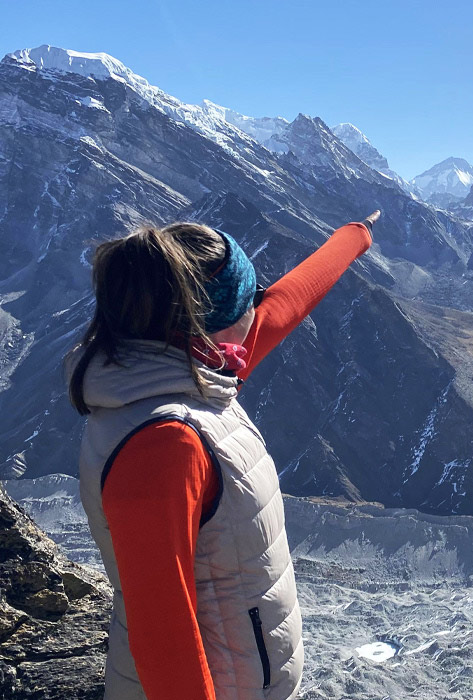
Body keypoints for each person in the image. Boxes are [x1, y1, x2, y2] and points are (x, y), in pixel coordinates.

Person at [64, 210, 379, 700]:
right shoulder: (167, 441)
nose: (259, 309)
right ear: (215, 320)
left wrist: (353, 237)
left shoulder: (177, 369)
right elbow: (162, 631)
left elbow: (284, 306)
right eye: (249, 298)